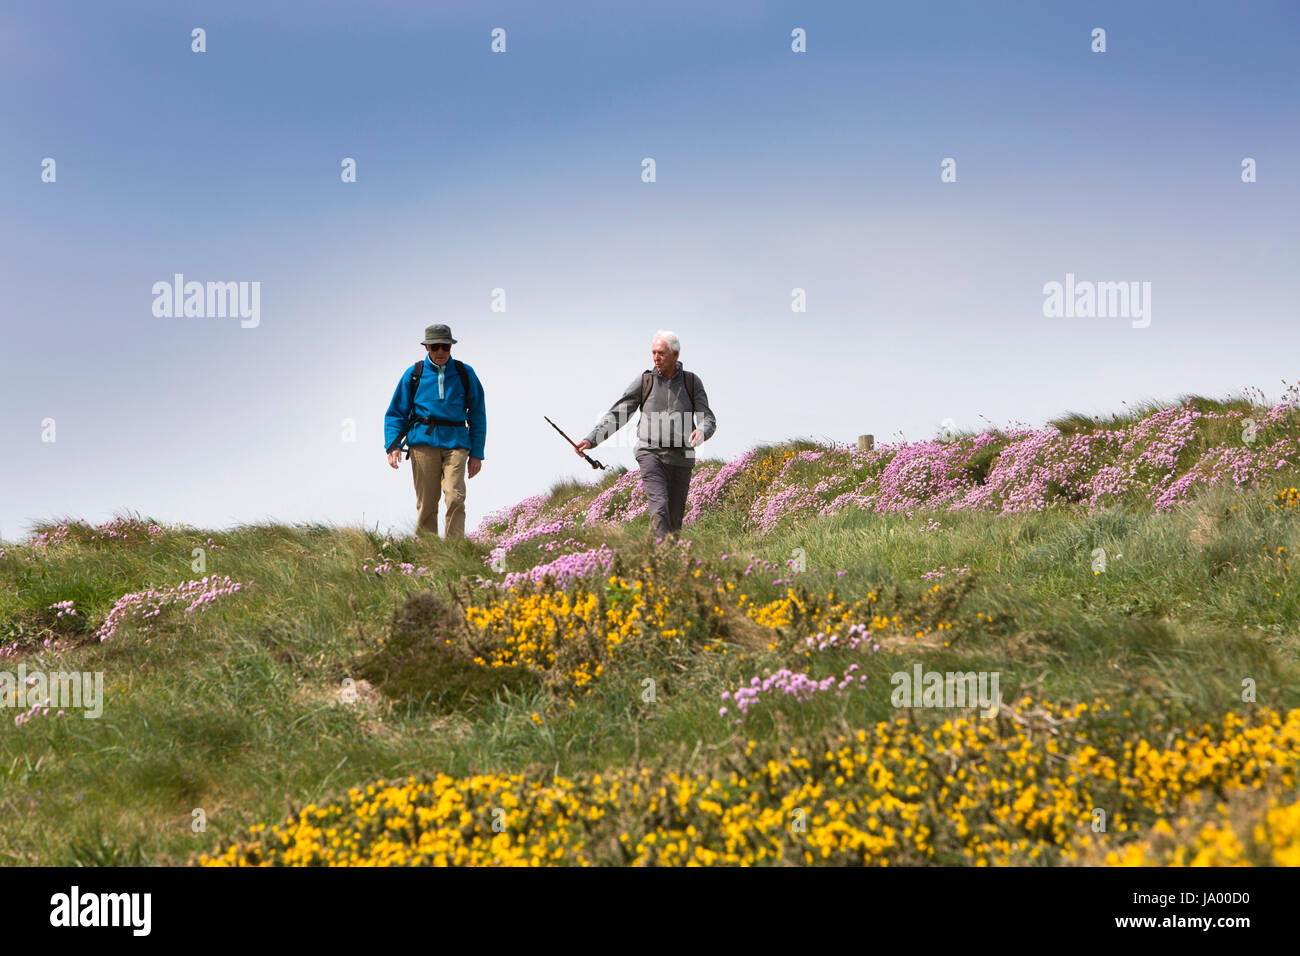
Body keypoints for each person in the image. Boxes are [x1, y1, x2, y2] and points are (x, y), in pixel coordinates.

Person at [575, 330, 716, 537]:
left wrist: (702, 432)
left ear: (675, 355)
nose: (656, 358)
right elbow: (619, 413)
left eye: (661, 353)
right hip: (650, 453)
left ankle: (667, 563)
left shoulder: (692, 382)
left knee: (675, 521)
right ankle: (658, 557)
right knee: (660, 507)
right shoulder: (645, 381)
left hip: (682, 458)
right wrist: (591, 439)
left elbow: (708, 417)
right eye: (653, 353)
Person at [384, 324, 486, 539]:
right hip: (422, 444)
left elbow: (477, 414)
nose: (440, 352)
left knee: (455, 497)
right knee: (428, 503)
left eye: (445, 347)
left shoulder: (464, 373)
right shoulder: (414, 374)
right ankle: (427, 553)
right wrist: (392, 446)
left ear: (451, 347)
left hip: (457, 443)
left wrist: (477, 453)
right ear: (427, 347)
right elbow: (396, 413)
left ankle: (454, 550)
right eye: (435, 346)